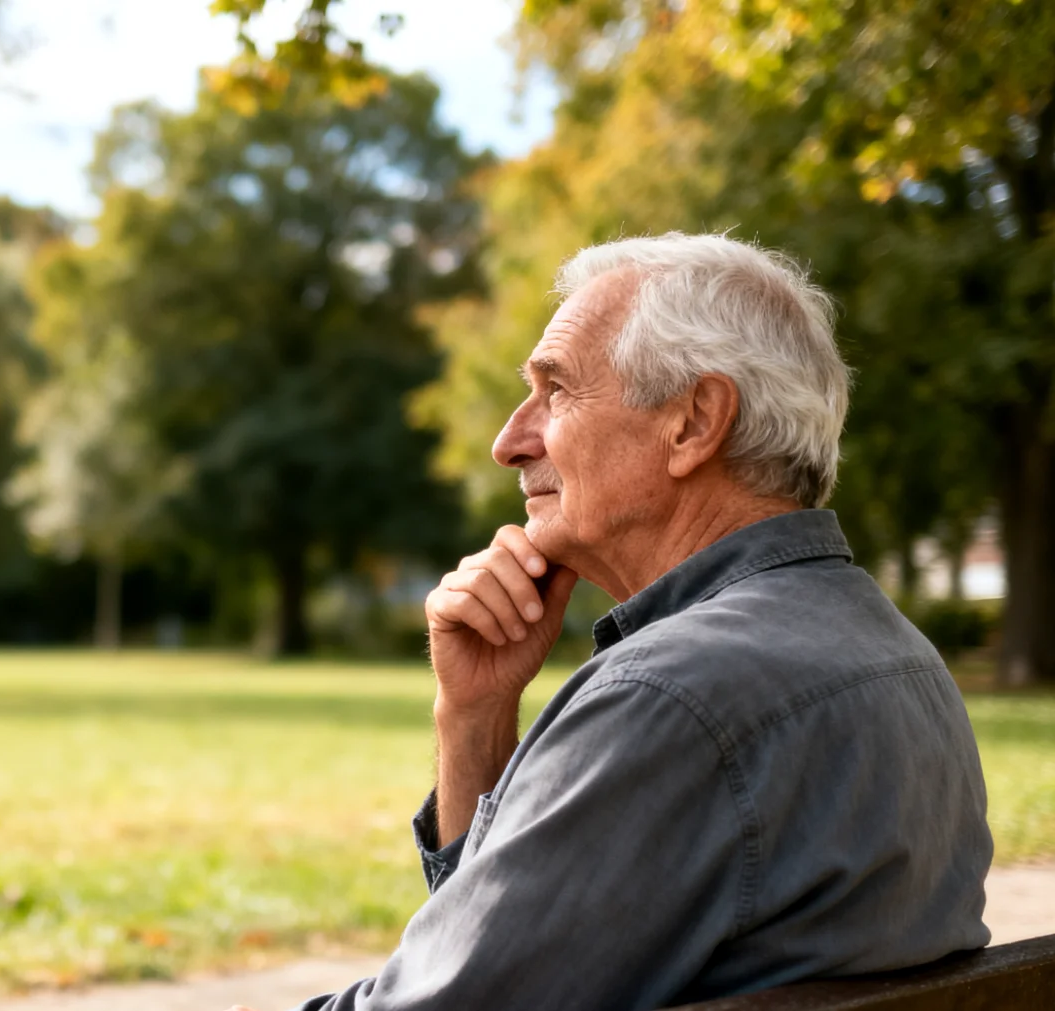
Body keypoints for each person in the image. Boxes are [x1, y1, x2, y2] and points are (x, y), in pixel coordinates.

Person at [234, 234, 991, 1011]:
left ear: (694, 423)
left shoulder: (671, 698)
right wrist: (475, 717)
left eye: (555, 390)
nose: (508, 441)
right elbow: (485, 961)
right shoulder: (902, 657)